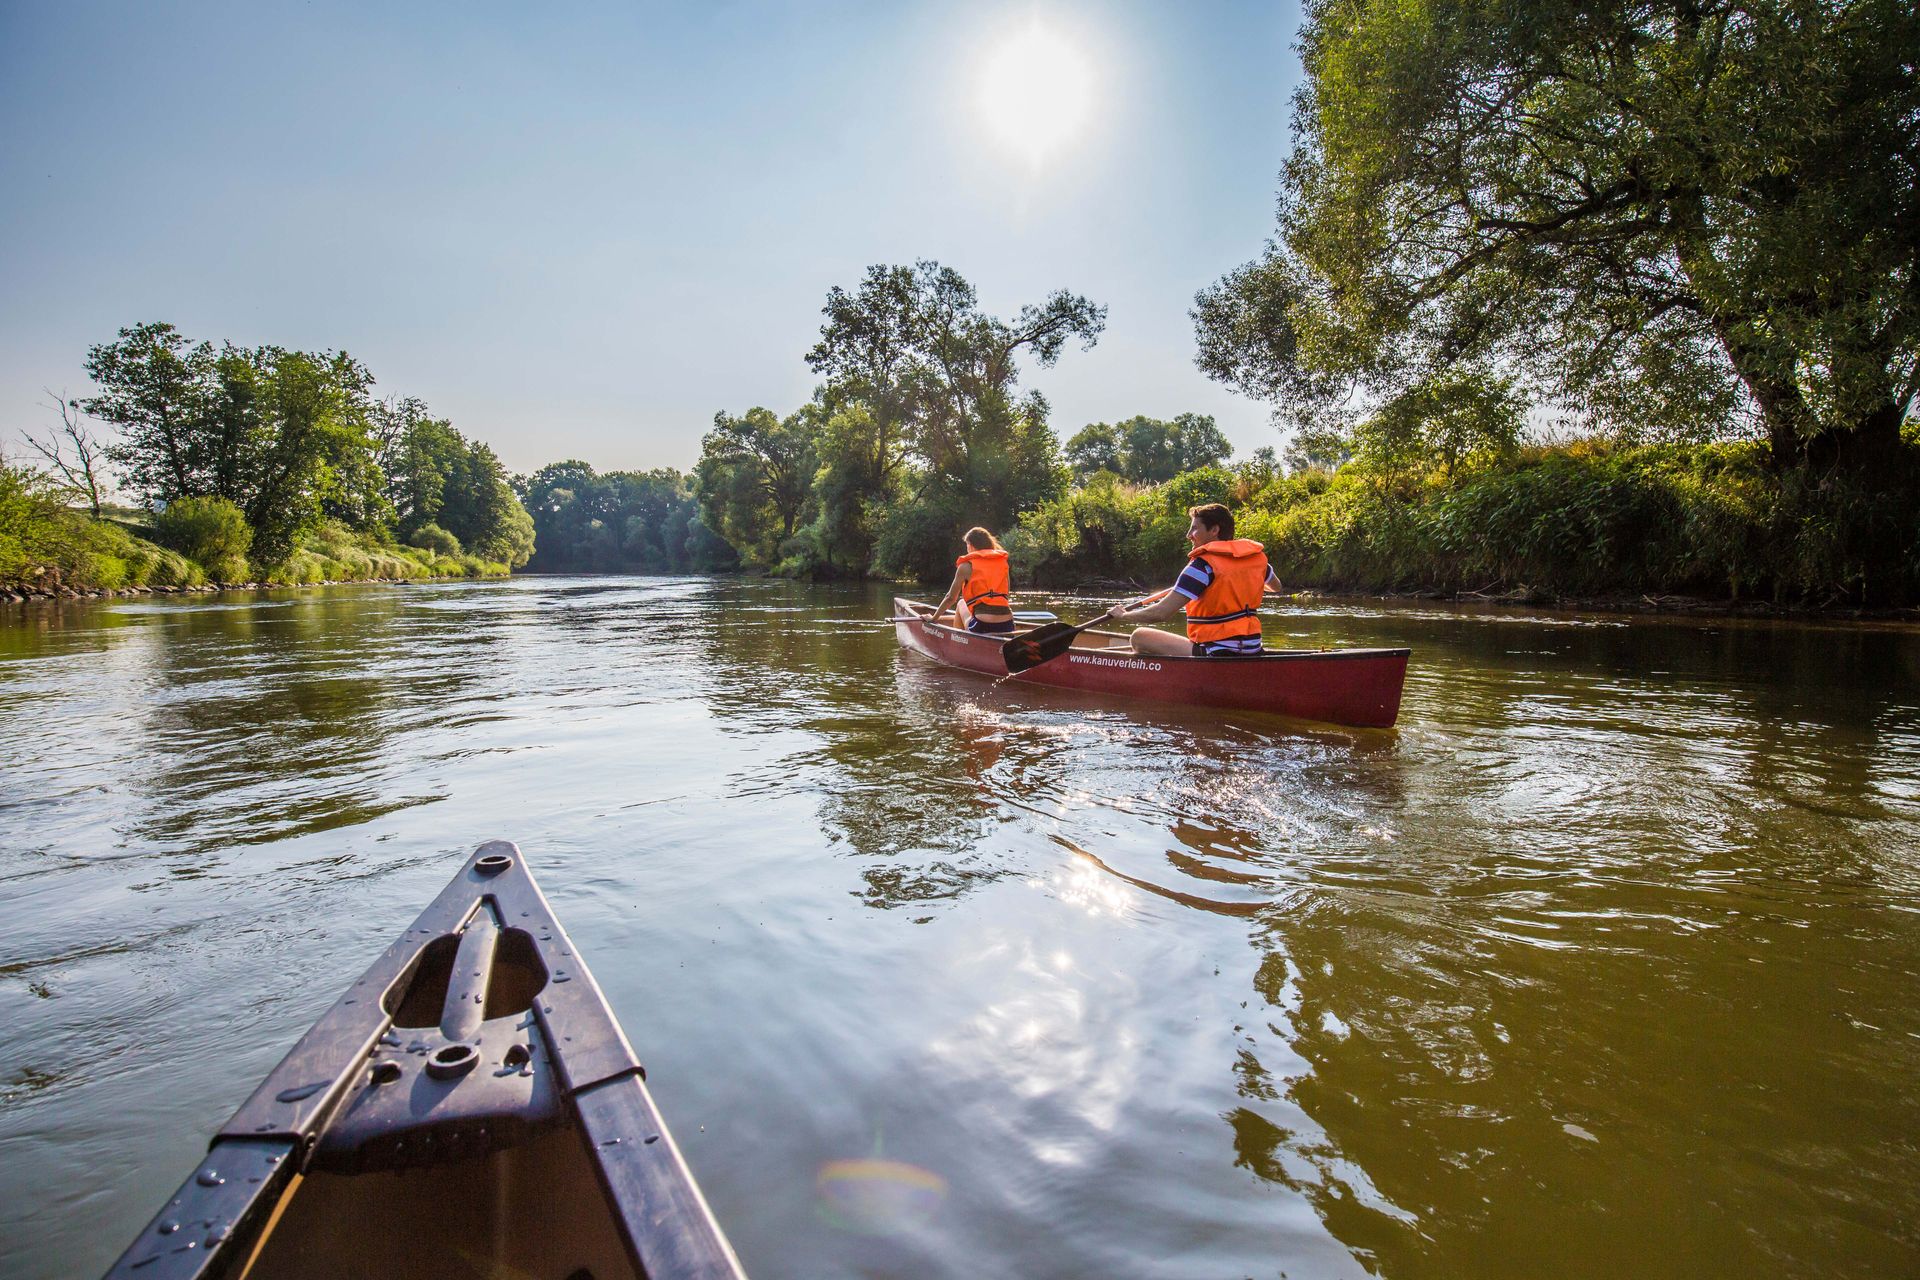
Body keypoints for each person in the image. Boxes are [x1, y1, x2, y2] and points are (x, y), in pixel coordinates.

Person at [1105, 503, 1281, 656]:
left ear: (1214, 530)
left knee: (1138, 637)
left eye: (1195, 528)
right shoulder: (1255, 560)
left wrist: (1123, 615)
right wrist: (1243, 582)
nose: (1189, 534)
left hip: (1215, 651)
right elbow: (1276, 587)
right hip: (1253, 648)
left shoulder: (1201, 567)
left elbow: (1160, 613)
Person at [928, 527, 1016, 634]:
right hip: (1007, 624)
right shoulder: (1002, 562)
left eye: (966, 545)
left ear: (971, 545)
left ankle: (958, 643)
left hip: (982, 625)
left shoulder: (966, 566)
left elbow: (950, 598)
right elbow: (1006, 593)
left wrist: (933, 618)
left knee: (961, 603)